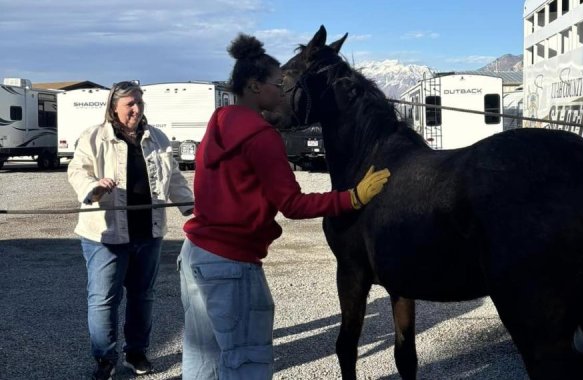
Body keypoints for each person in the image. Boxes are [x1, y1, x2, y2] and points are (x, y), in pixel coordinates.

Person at [179, 34, 390, 379]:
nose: (283, 91)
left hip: (196, 256)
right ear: (255, 87)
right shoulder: (261, 136)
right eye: (278, 84)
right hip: (233, 264)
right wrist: (353, 197)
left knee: (204, 363)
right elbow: (292, 204)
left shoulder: (218, 124)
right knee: (247, 363)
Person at [67, 80, 195, 380]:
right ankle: (104, 359)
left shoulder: (158, 138)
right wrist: (93, 188)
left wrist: (191, 209)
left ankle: (136, 352)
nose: (136, 109)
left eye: (139, 102)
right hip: (105, 235)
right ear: (114, 106)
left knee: (142, 296)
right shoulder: (94, 137)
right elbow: (78, 170)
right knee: (103, 298)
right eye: (129, 104)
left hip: (148, 233)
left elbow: (174, 179)